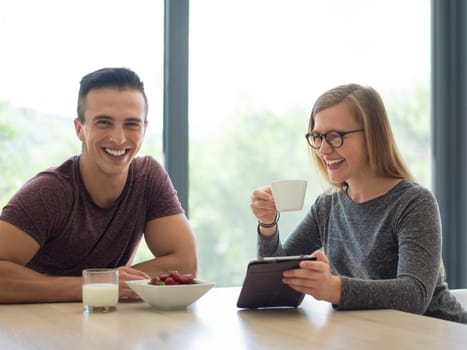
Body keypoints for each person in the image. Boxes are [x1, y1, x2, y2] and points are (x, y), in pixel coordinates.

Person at [250, 83, 467, 323]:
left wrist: (334, 288)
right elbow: (273, 280)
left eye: (335, 136)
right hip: (373, 336)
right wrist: (267, 224)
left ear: (373, 136)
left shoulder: (414, 203)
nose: (323, 149)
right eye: (318, 137)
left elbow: (414, 295)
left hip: (440, 335)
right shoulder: (327, 206)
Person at [0, 67, 197, 303]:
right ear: (79, 129)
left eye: (131, 125)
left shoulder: (148, 178)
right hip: (37, 327)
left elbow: (184, 265)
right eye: (104, 123)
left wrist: (109, 284)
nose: (119, 138)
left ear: (144, 129)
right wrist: (100, 284)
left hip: (103, 325)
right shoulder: (50, 191)